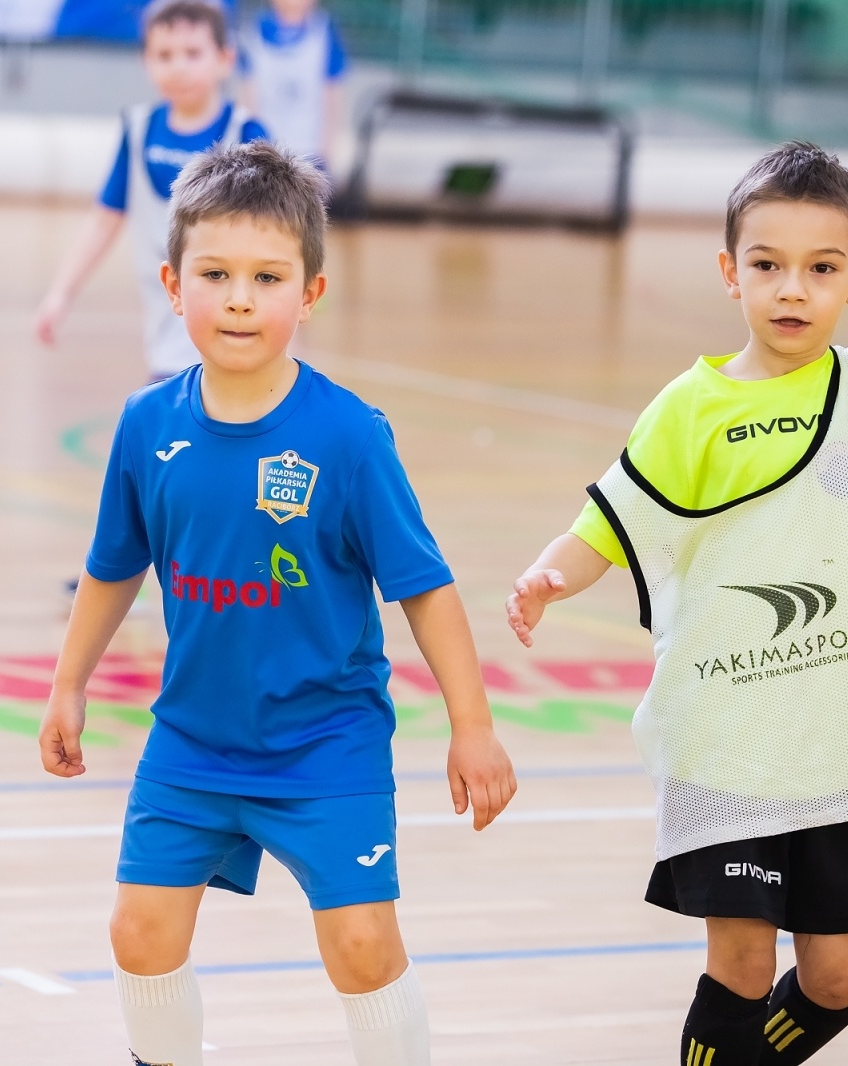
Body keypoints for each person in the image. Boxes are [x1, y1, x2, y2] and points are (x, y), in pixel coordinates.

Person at [504, 20, 848, 1066]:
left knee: (835, 980)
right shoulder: (688, 408)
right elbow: (610, 520)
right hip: (722, 739)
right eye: (768, 264)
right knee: (737, 968)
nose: (792, 288)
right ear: (729, 271)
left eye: (820, 267)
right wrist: (553, 572)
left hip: (832, 746)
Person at [40, 141, 517, 1066]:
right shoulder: (147, 427)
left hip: (324, 744)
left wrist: (473, 723)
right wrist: (68, 685)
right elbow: (111, 568)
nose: (240, 299)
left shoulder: (347, 436)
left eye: (267, 277)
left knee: (362, 949)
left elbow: (424, 587)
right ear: (174, 287)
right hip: (192, 742)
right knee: (138, 933)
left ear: (312, 292)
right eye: (215, 275)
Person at [34, 0, 271, 381]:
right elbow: (103, 220)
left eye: (193, 53)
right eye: (164, 54)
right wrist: (61, 294)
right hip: (165, 346)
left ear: (225, 59)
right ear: (145, 61)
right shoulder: (139, 129)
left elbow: (278, 234)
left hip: (234, 342)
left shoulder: (247, 135)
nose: (178, 66)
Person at [237, 0, 348, 169]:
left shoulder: (325, 31)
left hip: (310, 150)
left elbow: (332, 93)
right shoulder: (254, 31)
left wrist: (329, 148)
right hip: (265, 151)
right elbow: (248, 93)